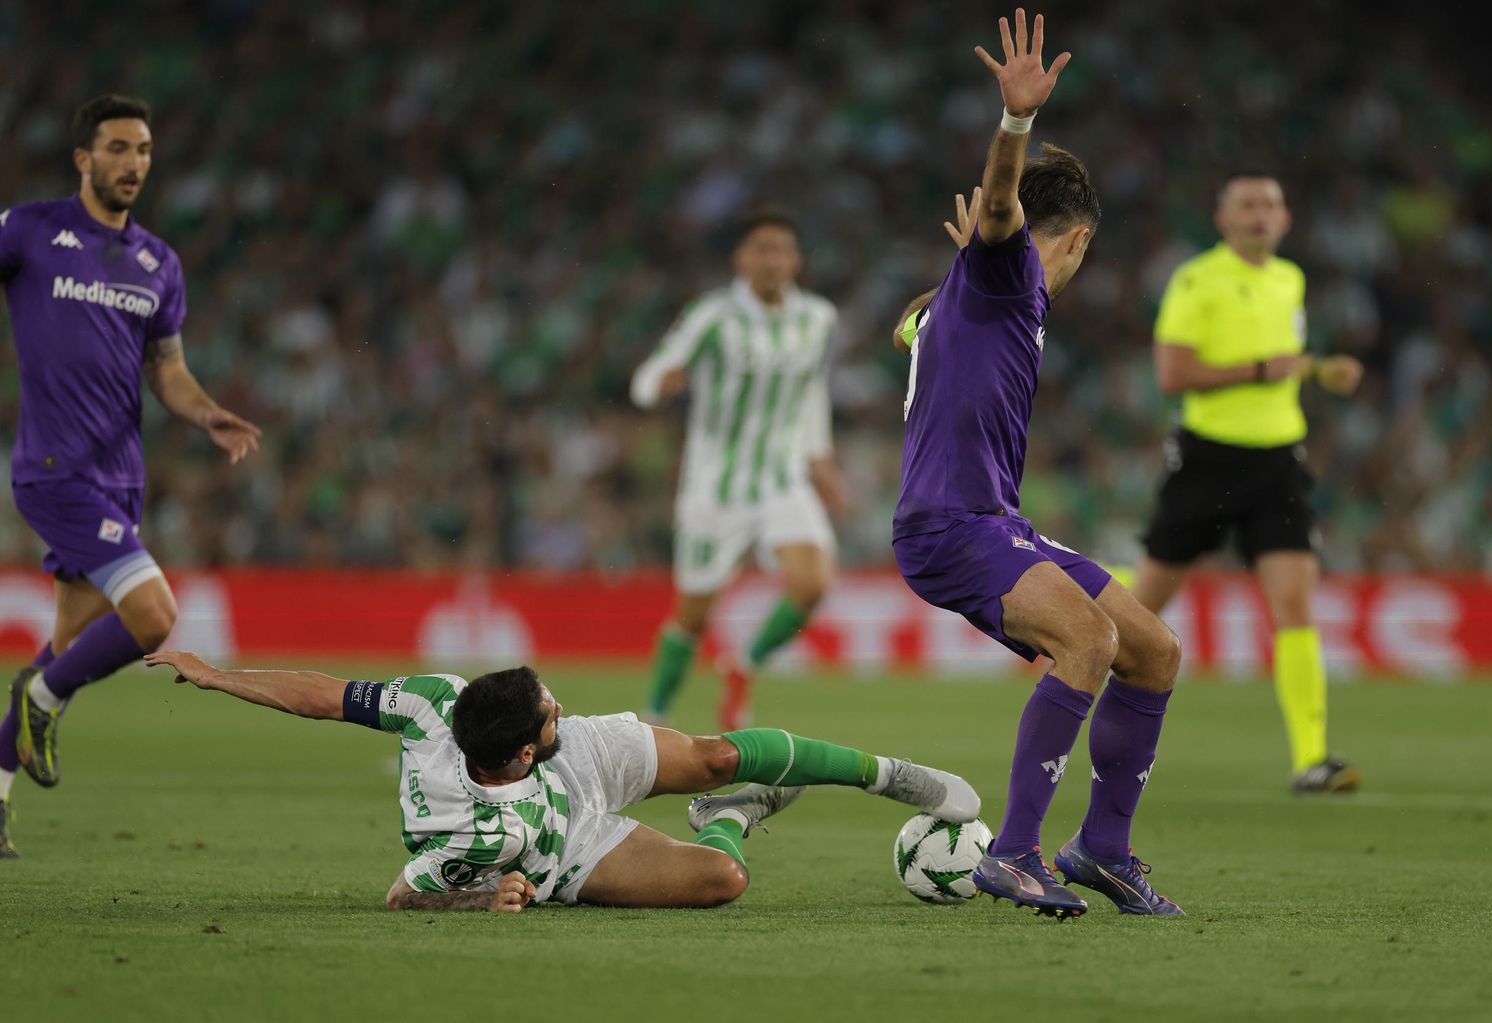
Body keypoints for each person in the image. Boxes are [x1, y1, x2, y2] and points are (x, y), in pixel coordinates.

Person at [890, 10, 1183, 919]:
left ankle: (1101, 847)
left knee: (1152, 649)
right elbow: (1006, 204)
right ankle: (1013, 851)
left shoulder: (972, 291)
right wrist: (1014, 124)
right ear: (1080, 240)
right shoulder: (1011, 268)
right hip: (951, 525)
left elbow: (910, 324)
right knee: (1088, 641)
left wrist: (957, 282)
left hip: (996, 520)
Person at [141, 650, 978, 911]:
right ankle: (728, 818)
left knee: (721, 749)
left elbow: (323, 697)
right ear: (516, 755)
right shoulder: (483, 838)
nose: (561, 706)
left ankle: (887, 775)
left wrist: (219, 674)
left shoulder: (438, 701)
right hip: (563, 846)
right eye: (550, 712)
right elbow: (404, 897)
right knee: (721, 877)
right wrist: (491, 900)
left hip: (566, 771)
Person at [0, 95, 262, 858]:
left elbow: (168, 372)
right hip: (56, 471)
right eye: (118, 148)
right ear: (84, 158)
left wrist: (207, 411)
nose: (134, 163)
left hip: (121, 481)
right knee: (154, 617)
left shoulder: (158, 262)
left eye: (144, 149)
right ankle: (44, 695)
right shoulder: (31, 230)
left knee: (69, 642)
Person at [1131, 174, 1364, 794]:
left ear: (1286, 219)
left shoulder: (1290, 279)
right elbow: (1173, 375)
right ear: (1222, 218)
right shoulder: (1195, 280)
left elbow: (1281, 363)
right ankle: (1066, 642)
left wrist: (1316, 370)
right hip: (1207, 461)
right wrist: (1264, 370)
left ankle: (1311, 759)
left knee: (1293, 604)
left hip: (1277, 464)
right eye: (1248, 205)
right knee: (1140, 607)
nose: (1261, 214)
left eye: (1271, 205)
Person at [631, 212, 848, 731]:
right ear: (741, 259)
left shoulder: (818, 318)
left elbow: (810, 392)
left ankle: (742, 666)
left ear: (795, 260)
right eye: (760, 249)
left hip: (781, 479)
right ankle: (653, 717)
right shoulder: (713, 315)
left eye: (781, 249)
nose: (771, 260)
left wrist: (820, 460)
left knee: (813, 582)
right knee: (693, 614)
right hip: (715, 487)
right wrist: (658, 386)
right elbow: (650, 373)